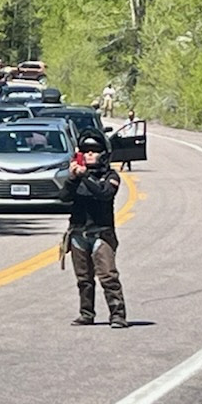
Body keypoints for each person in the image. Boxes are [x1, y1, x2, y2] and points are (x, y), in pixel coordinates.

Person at [61, 130, 126, 328]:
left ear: (103, 153)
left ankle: (118, 315)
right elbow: (63, 197)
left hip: (101, 233)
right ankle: (86, 313)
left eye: (95, 150)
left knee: (108, 276)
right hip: (78, 232)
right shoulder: (76, 176)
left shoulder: (110, 176)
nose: (90, 154)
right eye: (86, 150)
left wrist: (86, 176)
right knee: (84, 279)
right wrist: (73, 178)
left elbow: (104, 193)